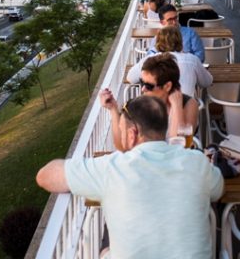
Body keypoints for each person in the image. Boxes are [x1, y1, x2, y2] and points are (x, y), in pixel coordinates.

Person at [36, 94, 223, 259]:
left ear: (132, 134)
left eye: (122, 129)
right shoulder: (196, 162)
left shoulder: (112, 167)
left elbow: (45, 176)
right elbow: (218, 188)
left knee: (105, 252)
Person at [104, 54, 199, 150]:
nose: (143, 89)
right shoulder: (143, 104)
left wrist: (177, 107)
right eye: (142, 82)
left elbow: (182, 146)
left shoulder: (188, 104)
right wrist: (113, 109)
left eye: (149, 86)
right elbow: (122, 146)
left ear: (167, 86)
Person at [128, 26, 212, 97]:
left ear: (158, 42)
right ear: (180, 41)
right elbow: (206, 82)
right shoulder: (192, 60)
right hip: (185, 109)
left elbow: (130, 78)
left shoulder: (150, 60)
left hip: (157, 110)